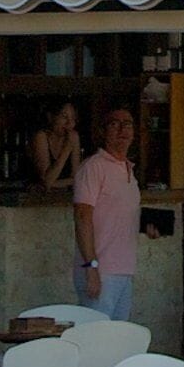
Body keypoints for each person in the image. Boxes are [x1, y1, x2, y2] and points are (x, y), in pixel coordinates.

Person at [71, 104, 143, 321]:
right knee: (95, 338)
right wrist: (90, 267)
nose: (122, 130)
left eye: (127, 124)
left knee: (117, 341)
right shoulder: (93, 167)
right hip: (100, 270)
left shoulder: (129, 170)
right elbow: (82, 216)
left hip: (124, 269)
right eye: (115, 124)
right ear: (102, 132)